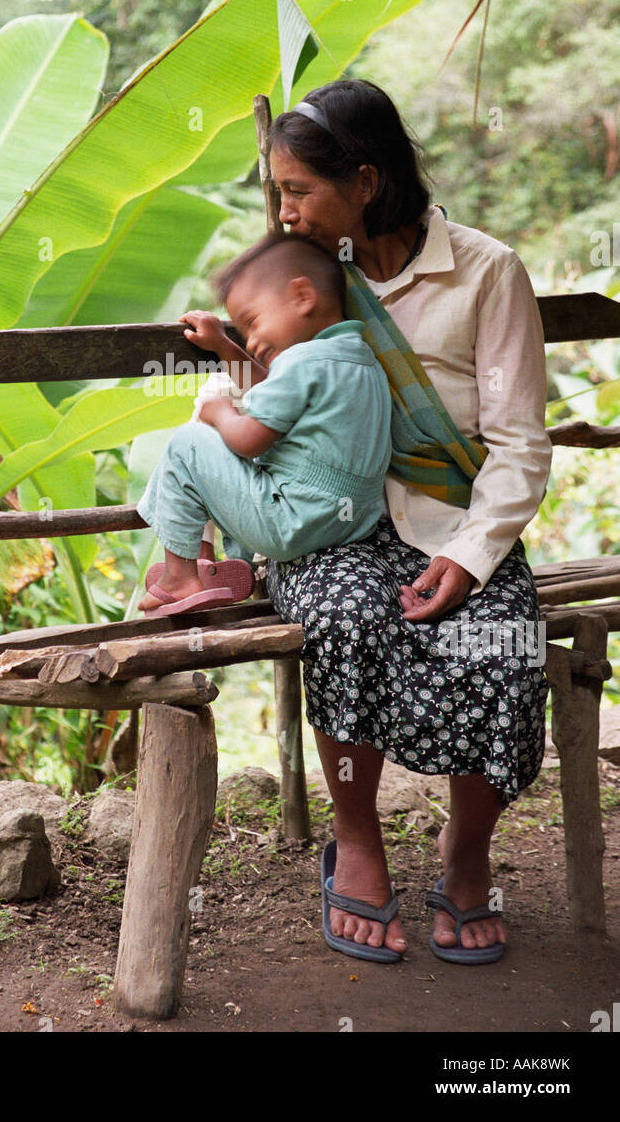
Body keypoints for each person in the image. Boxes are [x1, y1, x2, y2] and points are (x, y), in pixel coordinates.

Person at [179, 78, 552, 965]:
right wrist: (236, 355)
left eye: (299, 192)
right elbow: (275, 405)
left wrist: (467, 559)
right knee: (344, 621)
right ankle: (357, 840)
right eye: (278, 193)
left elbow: (519, 444)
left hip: (453, 521)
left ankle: (465, 860)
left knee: (501, 640)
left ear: (367, 183)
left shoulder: (483, 273)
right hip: (330, 519)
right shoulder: (306, 278)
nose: (284, 211)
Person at [135, 232, 392, 617]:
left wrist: (220, 412)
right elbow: (273, 390)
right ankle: (219, 567)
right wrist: (225, 347)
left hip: (290, 521)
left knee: (188, 443)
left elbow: (250, 440)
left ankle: (181, 577)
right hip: (350, 525)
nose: (252, 341)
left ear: (303, 296)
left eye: (252, 323)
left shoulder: (301, 362)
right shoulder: (361, 358)